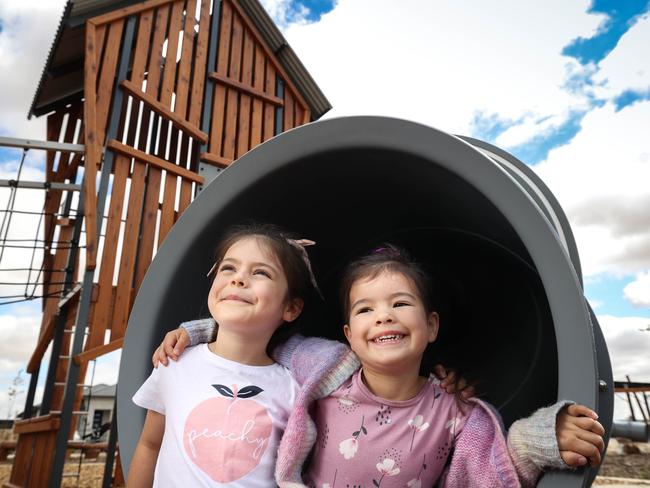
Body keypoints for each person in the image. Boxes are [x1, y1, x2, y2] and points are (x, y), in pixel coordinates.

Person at [155, 244, 605, 487]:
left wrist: (536, 440)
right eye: (365, 309)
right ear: (348, 334)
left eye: (400, 303)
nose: (383, 316)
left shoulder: (456, 412)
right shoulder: (325, 368)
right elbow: (258, 332)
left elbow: (486, 472)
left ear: (431, 326)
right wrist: (197, 331)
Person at [128, 223, 322, 487]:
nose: (238, 278)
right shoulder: (174, 363)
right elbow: (150, 445)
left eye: (261, 272)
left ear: (291, 308)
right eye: (228, 267)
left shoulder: (293, 389)